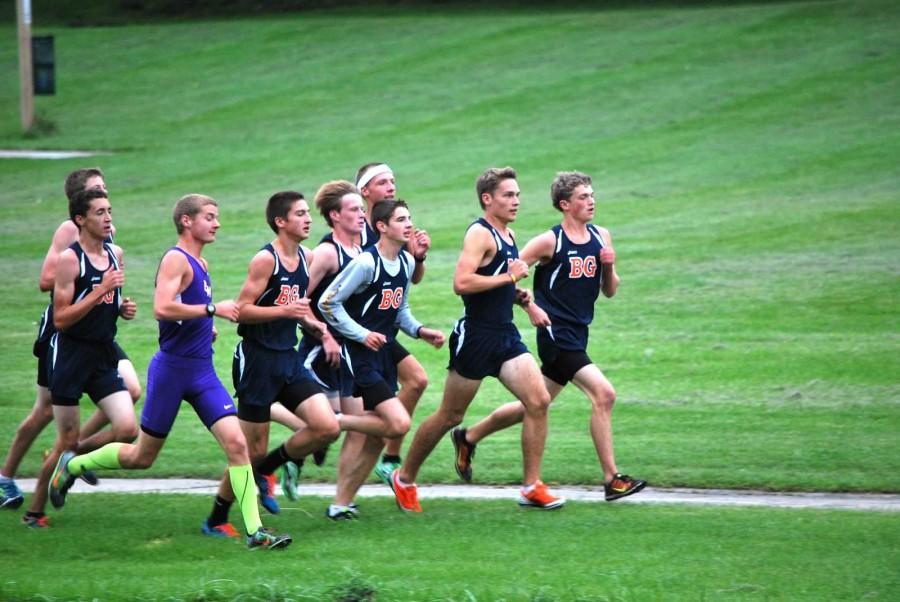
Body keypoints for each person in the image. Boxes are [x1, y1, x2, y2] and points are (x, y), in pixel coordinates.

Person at [48, 194, 291, 550]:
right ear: (187, 221)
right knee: (142, 457)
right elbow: (162, 307)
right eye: (210, 217)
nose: (217, 223)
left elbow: (183, 311)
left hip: (202, 371)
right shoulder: (176, 260)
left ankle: (256, 533)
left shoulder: (201, 264)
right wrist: (212, 310)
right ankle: (73, 465)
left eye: (217, 216)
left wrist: (203, 327)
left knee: (238, 444)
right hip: (172, 371)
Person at [451, 172, 647, 501]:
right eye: (584, 197)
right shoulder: (548, 241)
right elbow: (511, 272)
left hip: (579, 333)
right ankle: (612, 478)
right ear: (564, 204)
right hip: (555, 334)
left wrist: (610, 267)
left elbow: (609, 292)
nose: (591, 201)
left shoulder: (602, 236)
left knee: (533, 403)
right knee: (604, 394)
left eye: (592, 195)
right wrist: (530, 307)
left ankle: (469, 436)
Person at [391, 167, 563, 512]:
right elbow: (462, 283)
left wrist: (520, 298)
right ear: (488, 199)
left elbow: (498, 282)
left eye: (517, 194)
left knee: (539, 401)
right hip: (476, 338)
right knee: (450, 415)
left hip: (505, 336)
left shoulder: (508, 235)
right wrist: (507, 277)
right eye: (508, 195)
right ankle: (405, 477)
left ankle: (531, 486)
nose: (516, 201)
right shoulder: (479, 233)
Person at [0, 168, 142, 514]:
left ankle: (72, 459)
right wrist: (99, 290)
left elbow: (109, 291)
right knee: (46, 414)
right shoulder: (69, 243)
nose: (108, 213)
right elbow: (57, 305)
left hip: (102, 347)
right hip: (67, 347)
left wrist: (118, 304)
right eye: (99, 202)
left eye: (108, 205)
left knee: (126, 423)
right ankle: (32, 507)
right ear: (80, 213)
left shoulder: (114, 250)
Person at [201, 191, 340, 536]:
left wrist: (315, 327)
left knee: (326, 427)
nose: (308, 219)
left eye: (308, 213)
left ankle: (269, 469)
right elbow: (240, 310)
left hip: (287, 357)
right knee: (250, 449)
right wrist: (286, 312)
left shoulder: (307, 257)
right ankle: (217, 517)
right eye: (300, 214)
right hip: (257, 359)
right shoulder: (266, 260)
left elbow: (297, 304)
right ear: (281, 222)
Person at [319, 200, 445, 514]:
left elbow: (399, 310)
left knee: (376, 438)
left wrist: (420, 331)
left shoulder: (404, 262)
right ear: (382, 227)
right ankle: (333, 421)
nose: (409, 224)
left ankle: (340, 504)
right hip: (359, 357)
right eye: (401, 219)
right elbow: (328, 302)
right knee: (398, 424)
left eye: (409, 217)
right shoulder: (365, 263)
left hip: (384, 354)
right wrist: (361, 334)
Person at [354, 163, 430, 483]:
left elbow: (408, 280)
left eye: (393, 181)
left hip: (383, 331)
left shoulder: (399, 224)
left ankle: (390, 458)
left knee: (417, 381)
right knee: (347, 416)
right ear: (364, 191)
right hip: (355, 333)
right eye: (382, 182)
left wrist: (418, 257)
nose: (390, 186)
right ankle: (297, 455)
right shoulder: (354, 229)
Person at [295, 180, 367, 519]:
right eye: (354, 209)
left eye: (362, 209)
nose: (361, 214)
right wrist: (324, 335)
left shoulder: (363, 248)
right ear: (335, 216)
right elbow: (299, 301)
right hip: (318, 352)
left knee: (355, 425)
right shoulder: (325, 253)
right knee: (329, 427)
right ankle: (294, 453)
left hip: (349, 352)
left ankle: (341, 502)